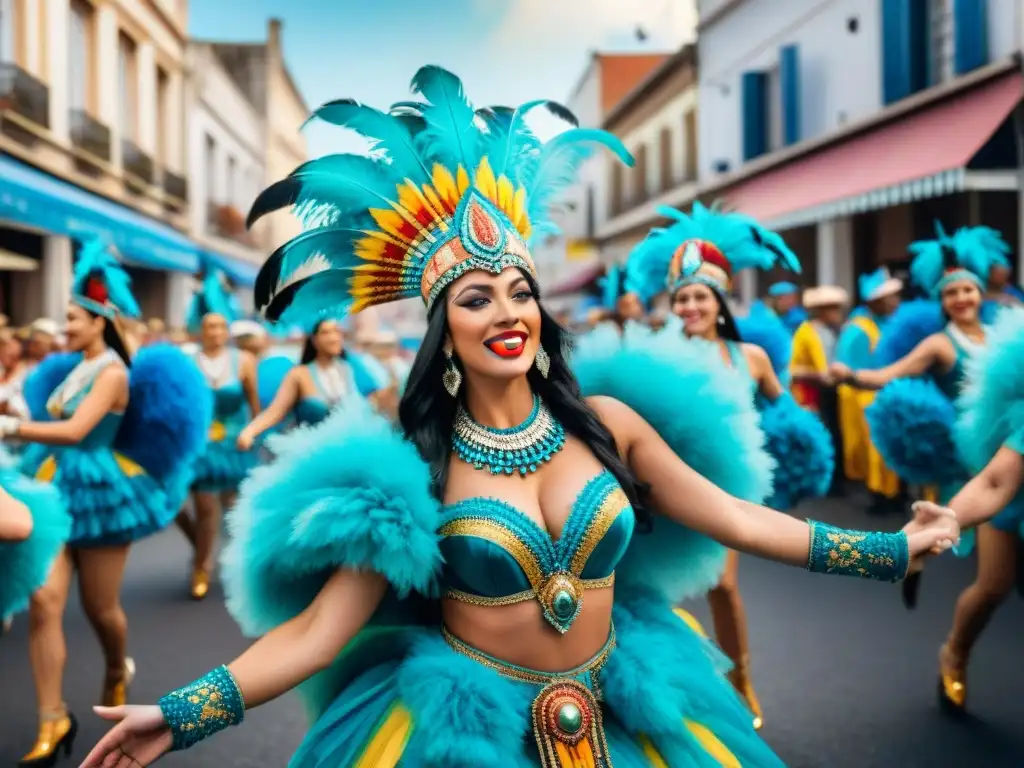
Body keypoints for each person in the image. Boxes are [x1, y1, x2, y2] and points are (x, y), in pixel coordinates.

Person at [80, 65, 958, 768]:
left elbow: (737, 519)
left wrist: (890, 551)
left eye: (519, 291)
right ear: (442, 330)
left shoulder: (608, 423)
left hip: (629, 707)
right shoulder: (411, 464)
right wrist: (180, 715)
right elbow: (317, 634)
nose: (506, 311)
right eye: (476, 298)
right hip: (467, 733)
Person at [624, 202, 834, 729]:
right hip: (667, 485)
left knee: (721, 586)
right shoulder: (658, 358)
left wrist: (789, 446)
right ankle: (668, 682)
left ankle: (739, 678)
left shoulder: (752, 358)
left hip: (729, 488)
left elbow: (783, 414)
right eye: (682, 298)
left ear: (719, 303)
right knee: (656, 590)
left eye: (700, 296)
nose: (691, 306)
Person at [2, 238, 207, 765]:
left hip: (100, 492)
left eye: (72, 318)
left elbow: (73, 431)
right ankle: (54, 718)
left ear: (98, 320)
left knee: (101, 609)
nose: (64, 327)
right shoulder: (71, 365)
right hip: (50, 485)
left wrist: (10, 424)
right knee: (45, 602)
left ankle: (118, 667)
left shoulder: (114, 371)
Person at [910, 300, 1024, 712]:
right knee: (994, 585)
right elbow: (997, 481)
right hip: (1011, 504)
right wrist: (944, 521)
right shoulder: (941, 343)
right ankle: (955, 651)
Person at [177, 268, 260, 601]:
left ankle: (243, 571)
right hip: (201, 446)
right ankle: (201, 565)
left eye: (222, 325)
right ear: (201, 330)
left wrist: (255, 433)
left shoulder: (245, 360)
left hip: (236, 444)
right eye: (210, 326)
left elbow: (254, 405)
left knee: (237, 511)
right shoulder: (189, 361)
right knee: (205, 511)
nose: (216, 332)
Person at [238, 319, 378, 445]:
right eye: (325, 333)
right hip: (314, 456)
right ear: (313, 339)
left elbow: (375, 401)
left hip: (351, 449)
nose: (334, 338)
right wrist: (249, 432)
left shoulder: (350, 369)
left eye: (337, 331)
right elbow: (275, 411)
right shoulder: (299, 374)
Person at [835, 268, 903, 514]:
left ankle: (892, 493)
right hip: (865, 398)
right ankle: (880, 495)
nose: (896, 301)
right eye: (890, 296)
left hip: (885, 393)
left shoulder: (888, 323)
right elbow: (845, 368)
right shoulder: (858, 328)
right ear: (876, 301)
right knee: (874, 451)